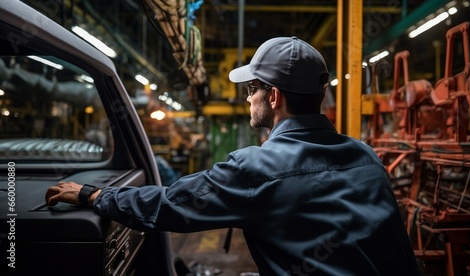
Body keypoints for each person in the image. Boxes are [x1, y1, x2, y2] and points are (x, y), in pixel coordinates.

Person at [45, 36, 421, 275]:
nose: (247, 96)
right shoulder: (367, 158)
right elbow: (402, 254)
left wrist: (94, 195)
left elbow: (168, 205)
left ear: (273, 97)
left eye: (253, 87)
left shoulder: (255, 169)